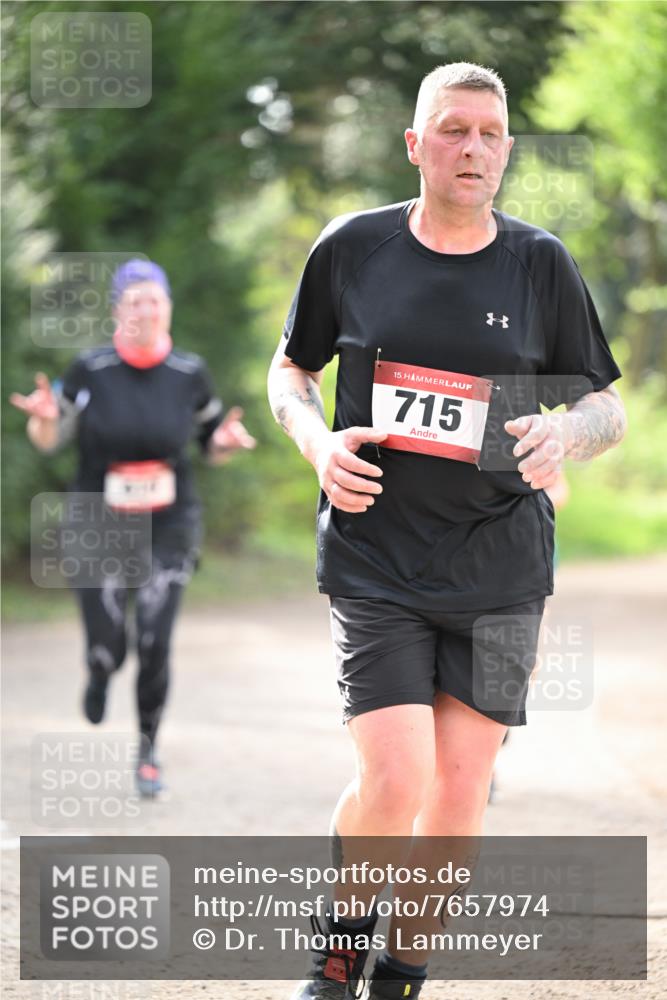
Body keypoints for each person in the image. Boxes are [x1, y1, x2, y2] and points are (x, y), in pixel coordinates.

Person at [268, 62, 626, 999]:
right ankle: (336, 960)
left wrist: (566, 433)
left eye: (490, 134)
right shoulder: (354, 248)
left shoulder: (539, 263)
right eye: (453, 129)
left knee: (460, 792)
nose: (473, 149)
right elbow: (290, 370)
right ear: (414, 143)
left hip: (504, 568)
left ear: (506, 149)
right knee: (396, 779)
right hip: (375, 556)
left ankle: (402, 975)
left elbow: (605, 405)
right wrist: (314, 441)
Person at [11, 259, 256, 797]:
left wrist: (224, 443)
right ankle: (100, 669)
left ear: (169, 308)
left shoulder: (189, 373)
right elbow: (50, 439)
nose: (146, 311)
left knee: (154, 639)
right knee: (110, 645)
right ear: (117, 312)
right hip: (97, 517)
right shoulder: (89, 370)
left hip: (169, 519)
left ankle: (147, 751)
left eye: (155, 300)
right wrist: (44, 419)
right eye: (135, 301)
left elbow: (210, 442)